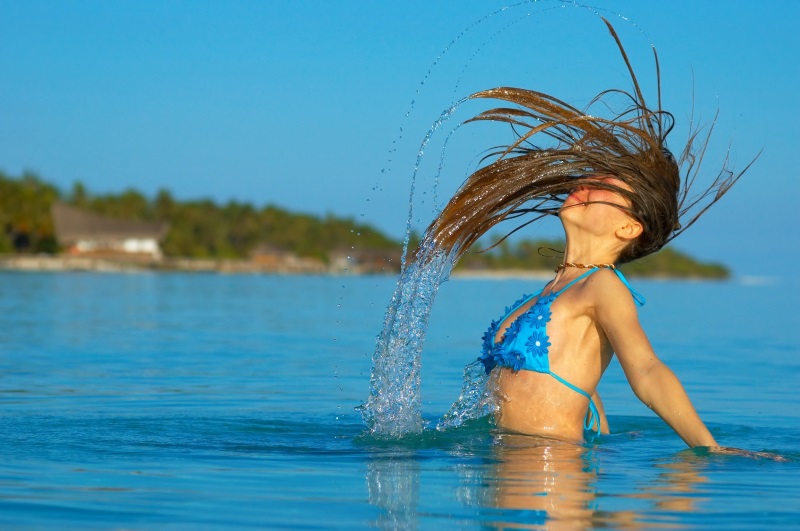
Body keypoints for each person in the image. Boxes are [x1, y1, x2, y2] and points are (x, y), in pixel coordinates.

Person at [423, 19, 752, 446]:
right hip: (510, 489)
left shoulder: (603, 286)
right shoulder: (556, 288)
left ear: (628, 226)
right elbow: (574, 372)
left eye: (604, 188)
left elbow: (648, 371)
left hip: (551, 494)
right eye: (588, 180)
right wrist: (598, 421)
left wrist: (710, 450)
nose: (584, 186)